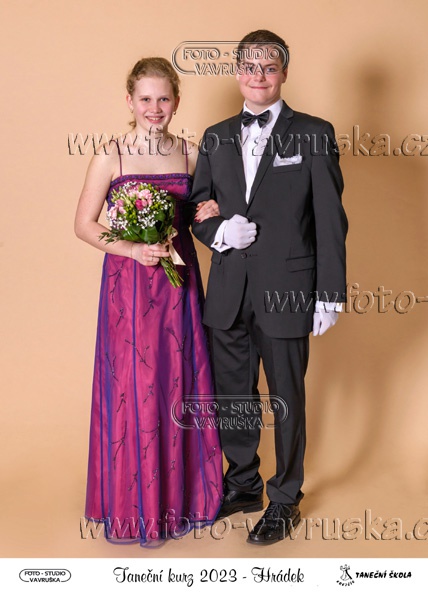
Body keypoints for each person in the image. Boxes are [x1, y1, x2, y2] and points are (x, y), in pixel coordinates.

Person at [189, 30, 348, 545]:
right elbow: (197, 207)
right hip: (228, 291)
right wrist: (219, 232)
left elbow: (330, 219)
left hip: (288, 291)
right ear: (237, 72)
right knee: (233, 396)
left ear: (284, 73)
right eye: (250, 66)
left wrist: (330, 292)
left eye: (269, 67)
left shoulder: (314, 133)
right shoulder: (215, 136)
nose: (259, 76)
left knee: (286, 398)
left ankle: (285, 498)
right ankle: (243, 485)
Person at [75, 57, 223, 545]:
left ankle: (182, 499)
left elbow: (203, 214)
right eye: (145, 99)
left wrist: (209, 208)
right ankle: (134, 504)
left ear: (176, 101)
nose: (154, 108)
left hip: (179, 285)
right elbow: (84, 225)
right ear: (129, 101)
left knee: (179, 380)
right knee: (135, 385)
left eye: (164, 98)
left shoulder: (191, 154)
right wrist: (132, 249)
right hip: (129, 287)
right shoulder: (110, 156)